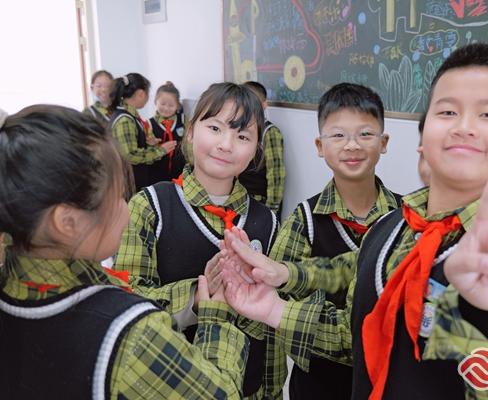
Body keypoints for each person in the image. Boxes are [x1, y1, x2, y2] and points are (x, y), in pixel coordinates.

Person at [220, 43, 488, 399]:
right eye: (448, 112)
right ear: (424, 135)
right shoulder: (388, 230)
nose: (464, 126)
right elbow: (359, 336)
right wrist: (273, 308)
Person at [0, 105, 250, 398]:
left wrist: (194, 294)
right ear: (67, 222)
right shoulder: (132, 334)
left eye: (243, 135)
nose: (126, 209)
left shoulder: (14, 286)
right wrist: (216, 317)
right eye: (118, 196)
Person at [113, 82, 282, 399]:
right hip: (171, 386)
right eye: (215, 128)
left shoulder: (267, 221)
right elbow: (126, 302)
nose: (226, 144)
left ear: (255, 150)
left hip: (248, 386)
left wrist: (272, 391)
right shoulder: (150, 206)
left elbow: (271, 330)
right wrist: (195, 296)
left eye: (243, 136)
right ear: (190, 132)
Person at [268, 83, 400, 400]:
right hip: (319, 383)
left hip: (388, 383)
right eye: (338, 135)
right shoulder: (304, 219)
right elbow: (281, 301)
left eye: (365, 134)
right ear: (320, 145)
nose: (352, 145)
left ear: (383, 142)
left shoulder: (405, 217)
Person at [109, 73, 177, 191]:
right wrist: (161, 150)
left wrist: (146, 142)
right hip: (127, 184)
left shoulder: (130, 116)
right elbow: (130, 155)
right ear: (141, 93)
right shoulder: (125, 120)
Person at [238, 81, 286, 220]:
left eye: (253, 101)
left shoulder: (269, 132)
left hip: (258, 202)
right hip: (239, 199)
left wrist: (272, 211)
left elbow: (276, 174)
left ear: (264, 105)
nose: (247, 106)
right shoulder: (237, 129)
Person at [148, 81, 187, 184]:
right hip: (156, 173)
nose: (166, 108)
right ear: (155, 101)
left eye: (171, 105)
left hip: (180, 172)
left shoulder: (183, 120)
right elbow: (148, 153)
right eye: (163, 104)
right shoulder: (149, 124)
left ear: (177, 106)